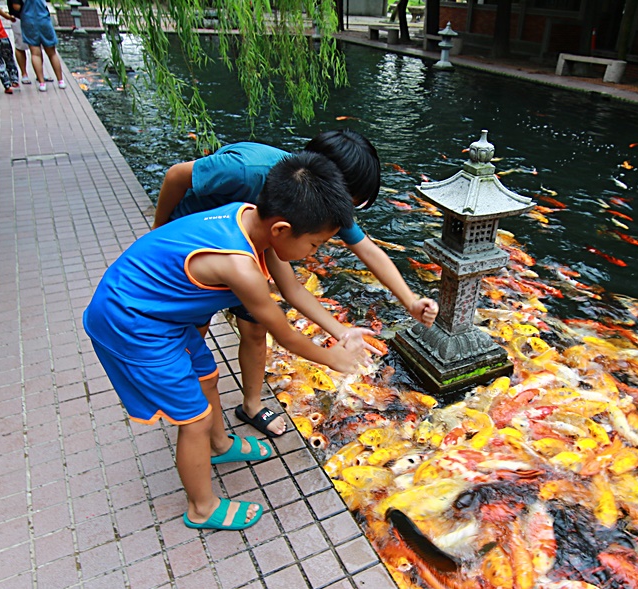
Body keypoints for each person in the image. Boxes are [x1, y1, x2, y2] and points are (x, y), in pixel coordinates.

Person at [84, 153, 371, 530]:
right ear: (283, 230)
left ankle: (220, 446)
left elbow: (293, 289)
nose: (314, 254)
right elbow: (282, 333)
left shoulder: (251, 216)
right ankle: (201, 507)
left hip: (159, 315)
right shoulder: (240, 266)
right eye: (316, 245)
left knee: (208, 377)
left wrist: (342, 331)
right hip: (132, 322)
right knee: (194, 419)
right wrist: (331, 358)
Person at [152, 130, 439, 438]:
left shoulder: (308, 210)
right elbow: (177, 176)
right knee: (194, 335)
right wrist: (158, 231)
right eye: (316, 244)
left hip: (253, 246)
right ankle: (198, 420)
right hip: (197, 252)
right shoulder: (248, 171)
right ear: (323, 180)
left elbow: (363, 251)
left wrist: (409, 300)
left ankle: (248, 406)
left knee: (254, 326)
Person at [10, 0, 65, 92]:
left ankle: (42, 83)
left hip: (29, 21)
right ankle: (61, 81)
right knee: (52, 53)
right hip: (44, 20)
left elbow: (16, 7)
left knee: (35, 54)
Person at [6, 0, 30, 84]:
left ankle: (40, 73)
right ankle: (24, 73)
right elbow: (16, 7)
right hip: (19, 19)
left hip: (32, 18)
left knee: (36, 47)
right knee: (20, 47)